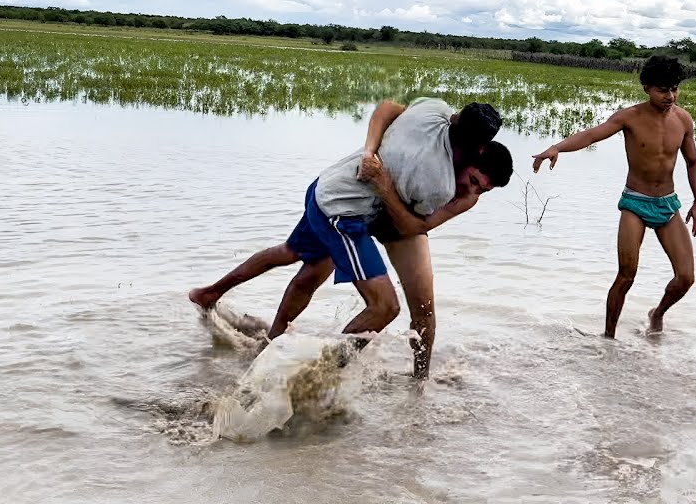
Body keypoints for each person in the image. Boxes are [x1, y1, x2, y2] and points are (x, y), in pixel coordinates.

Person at [188, 97, 509, 377]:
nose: (472, 190)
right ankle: (312, 374)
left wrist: (378, 170)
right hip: (352, 210)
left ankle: (418, 381)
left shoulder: (438, 124)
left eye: (482, 190)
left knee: (419, 307)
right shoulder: (435, 179)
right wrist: (377, 167)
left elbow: (416, 225)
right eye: (474, 181)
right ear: (477, 152)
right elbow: (409, 222)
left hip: (352, 199)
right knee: (381, 304)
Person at [531, 55, 696, 338]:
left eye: (674, 88)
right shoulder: (630, 117)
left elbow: (693, 163)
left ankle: (657, 313)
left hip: (667, 204)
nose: (670, 96)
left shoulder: (683, 119)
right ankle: (608, 338)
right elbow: (591, 135)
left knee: (686, 277)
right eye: (663, 90)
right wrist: (557, 148)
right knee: (627, 275)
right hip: (635, 203)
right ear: (647, 88)